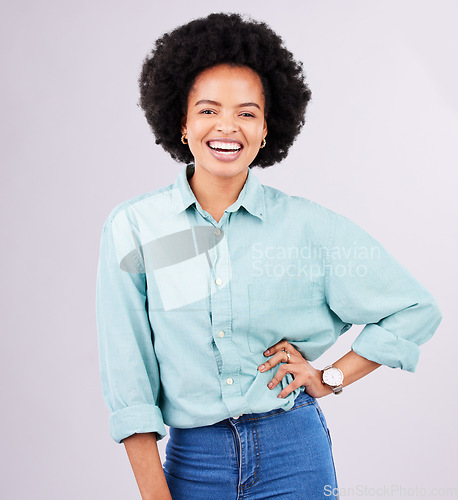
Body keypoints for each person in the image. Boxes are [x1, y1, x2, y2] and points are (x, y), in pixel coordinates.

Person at [95, 12, 442, 500]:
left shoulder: (307, 227)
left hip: (294, 454)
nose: (227, 127)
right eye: (209, 110)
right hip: (193, 462)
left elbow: (414, 308)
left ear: (265, 130)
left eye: (247, 113)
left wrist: (330, 376)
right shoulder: (134, 228)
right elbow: (129, 378)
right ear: (182, 122)